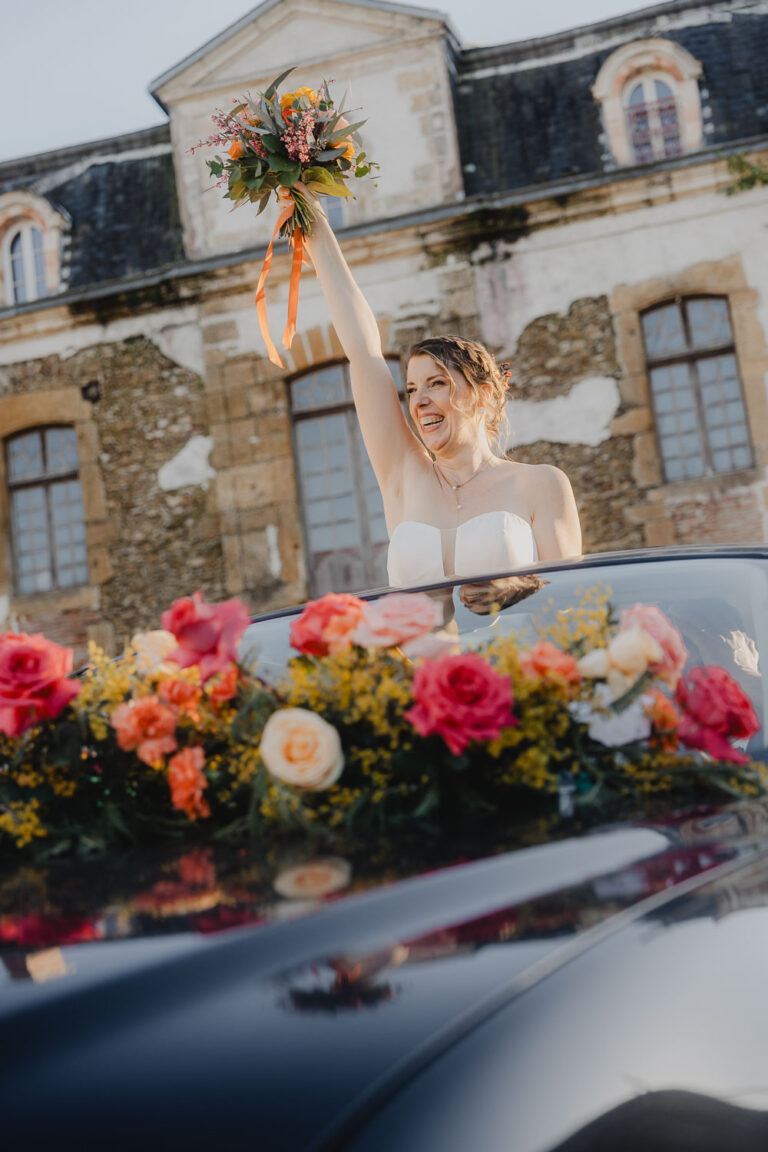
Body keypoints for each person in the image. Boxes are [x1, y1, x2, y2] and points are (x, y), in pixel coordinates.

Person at [301, 191, 582, 594]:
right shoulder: (403, 475)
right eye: (411, 389)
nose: (418, 401)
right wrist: (308, 213)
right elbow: (363, 352)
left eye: (437, 383)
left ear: (483, 394)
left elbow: (568, 603)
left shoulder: (541, 484)